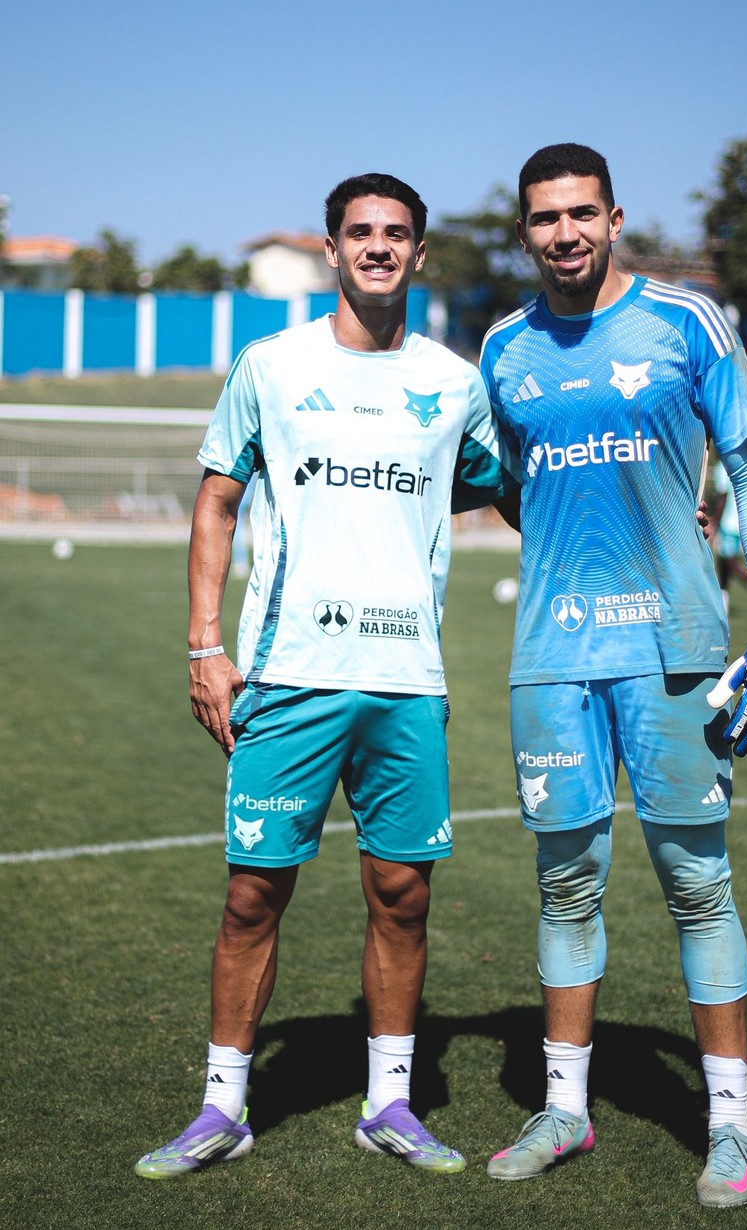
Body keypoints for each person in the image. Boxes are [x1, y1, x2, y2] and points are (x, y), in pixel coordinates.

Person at [135, 173, 516, 1179]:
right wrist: (204, 645)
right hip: (289, 675)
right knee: (253, 893)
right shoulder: (271, 364)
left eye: (396, 234)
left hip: (405, 680)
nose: (378, 248)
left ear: (420, 253)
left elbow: (513, 489)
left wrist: (646, 523)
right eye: (361, 233)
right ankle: (222, 1108)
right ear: (331, 248)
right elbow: (217, 501)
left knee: (401, 892)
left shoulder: (455, 382)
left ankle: (390, 1102)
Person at [478, 144, 747, 1208]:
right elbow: (514, 483)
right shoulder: (503, 349)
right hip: (553, 655)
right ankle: (566, 1110)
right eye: (542, 219)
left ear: (615, 218)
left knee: (697, 886)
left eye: (581, 214)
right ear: (524, 231)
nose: (563, 233)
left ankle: (733, 1128)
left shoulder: (688, 322)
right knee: (565, 883)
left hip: (676, 647)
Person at [711, 459, 747, 613]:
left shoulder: (722, 467)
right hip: (740, 522)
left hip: (728, 524)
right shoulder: (739, 464)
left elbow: (723, 496)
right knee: (723, 565)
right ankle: (722, 604)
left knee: (731, 563)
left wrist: (716, 520)